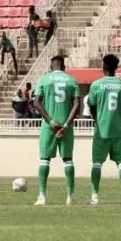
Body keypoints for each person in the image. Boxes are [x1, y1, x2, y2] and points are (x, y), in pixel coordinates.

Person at [33, 55, 80, 206]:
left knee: (44, 159)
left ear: (51, 67)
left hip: (49, 125)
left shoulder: (44, 79)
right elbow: (77, 105)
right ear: (64, 67)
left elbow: (37, 103)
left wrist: (51, 121)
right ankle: (70, 196)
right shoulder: (71, 80)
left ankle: (42, 196)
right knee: (68, 159)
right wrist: (66, 125)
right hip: (66, 126)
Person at [86, 54, 121, 205]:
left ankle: (94, 197)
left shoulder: (96, 85)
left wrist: (97, 119)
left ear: (103, 67)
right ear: (116, 68)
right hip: (117, 130)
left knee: (97, 163)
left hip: (101, 130)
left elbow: (91, 105)